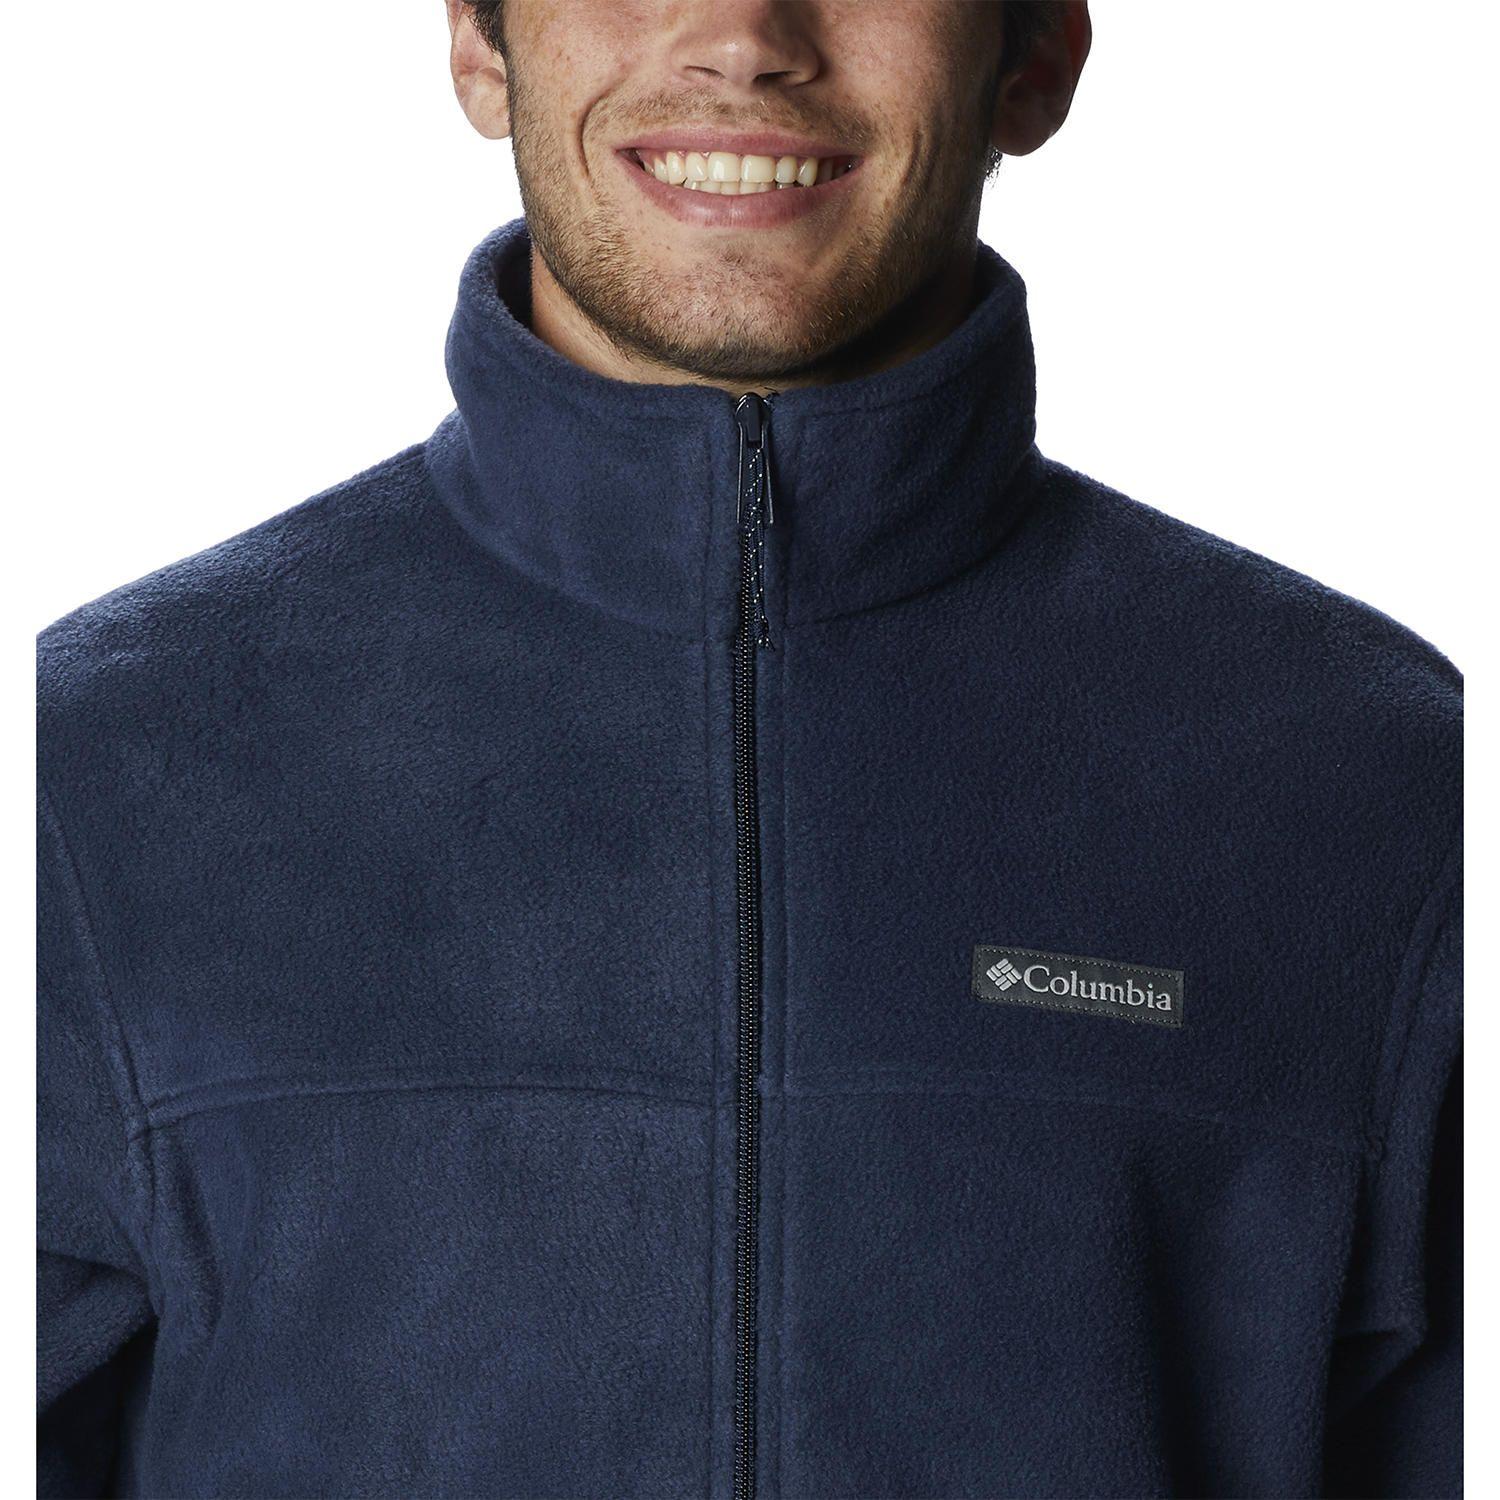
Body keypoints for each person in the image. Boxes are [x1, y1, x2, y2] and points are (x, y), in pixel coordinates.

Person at [37, 2, 1462, 1497]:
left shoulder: (1383, 795)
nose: (742, 35)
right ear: (478, 42)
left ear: (1036, 54)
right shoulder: (86, 779)